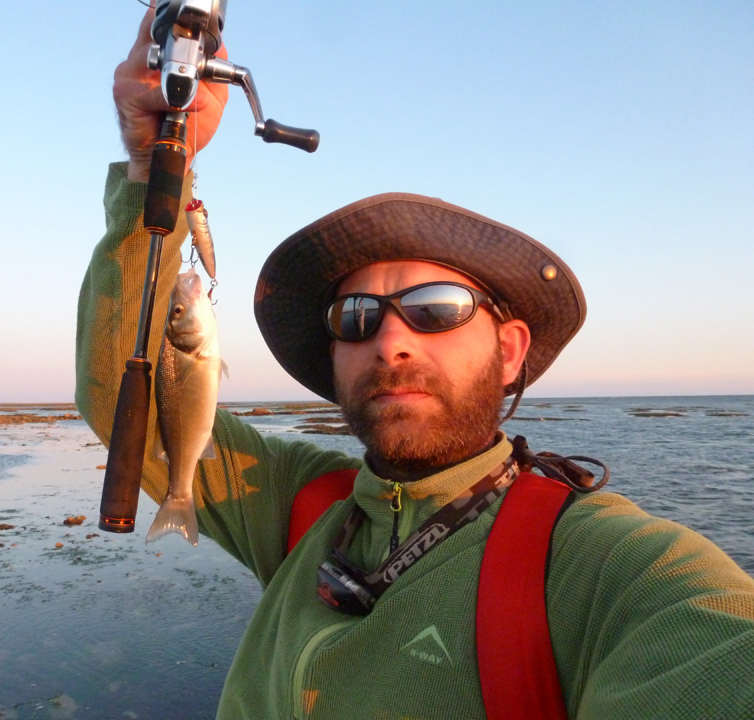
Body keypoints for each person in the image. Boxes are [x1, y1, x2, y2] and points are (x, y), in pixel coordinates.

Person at [76, 11, 754, 719]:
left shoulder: (608, 567)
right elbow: (117, 398)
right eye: (356, 317)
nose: (391, 339)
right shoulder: (294, 503)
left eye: (436, 307)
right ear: (336, 352)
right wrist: (153, 169)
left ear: (511, 349)